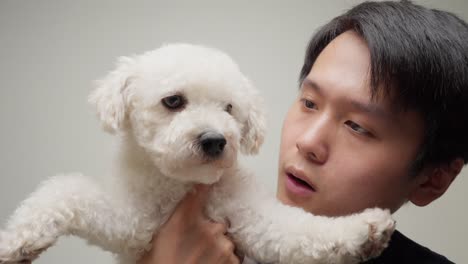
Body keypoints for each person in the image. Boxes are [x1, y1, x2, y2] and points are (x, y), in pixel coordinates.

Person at [138, 1, 468, 263]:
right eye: (309, 102)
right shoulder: (209, 231)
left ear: (433, 179)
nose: (308, 142)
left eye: (357, 126)